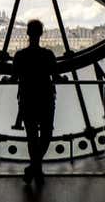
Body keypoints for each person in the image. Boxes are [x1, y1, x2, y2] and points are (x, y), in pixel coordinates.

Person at [11, 19, 65, 184]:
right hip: (45, 98)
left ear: (27, 33)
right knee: (46, 135)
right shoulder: (48, 55)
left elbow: (14, 77)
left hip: (27, 98)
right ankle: (35, 168)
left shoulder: (20, 55)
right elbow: (56, 77)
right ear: (41, 33)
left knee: (32, 137)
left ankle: (36, 169)